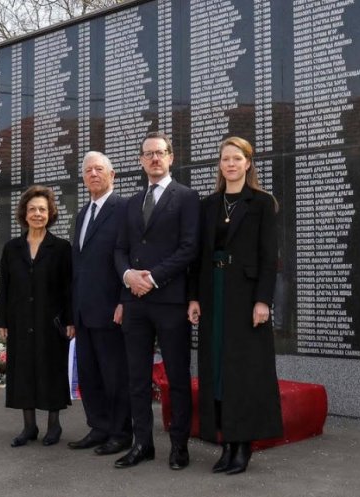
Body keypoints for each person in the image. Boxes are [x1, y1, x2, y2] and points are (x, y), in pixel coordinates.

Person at [187, 137, 282, 475]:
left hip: (245, 296)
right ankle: (226, 442)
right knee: (216, 370)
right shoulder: (209, 205)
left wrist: (263, 300)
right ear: (220, 164)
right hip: (213, 293)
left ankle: (243, 446)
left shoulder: (262, 202)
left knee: (244, 372)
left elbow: (269, 257)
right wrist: (194, 296)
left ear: (248, 163)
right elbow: (198, 255)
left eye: (237, 159)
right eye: (225, 159)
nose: (230, 164)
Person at [113, 131, 200, 470]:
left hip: (170, 302)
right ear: (140, 160)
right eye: (148, 154)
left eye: (160, 152)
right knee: (137, 378)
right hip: (135, 302)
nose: (154, 158)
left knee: (177, 377)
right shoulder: (131, 202)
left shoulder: (187, 197)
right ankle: (142, 444)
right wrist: (128, 276)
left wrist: (152, 278)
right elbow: (120, 249)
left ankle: (179, 447)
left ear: (171, 157)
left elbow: (189, 248)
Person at [0, 185, 75, 447]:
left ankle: (54, 425)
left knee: (52, 369)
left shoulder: (61, 248)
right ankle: (29, 427)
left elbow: (69, 287)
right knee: (23, 370)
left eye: (42, 209)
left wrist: (70, 320)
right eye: (32, 209)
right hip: (20, 320)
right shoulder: (12, 248)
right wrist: (1, 320)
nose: (37, 214)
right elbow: (4, 286)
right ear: (24, 213)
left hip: (51, 321)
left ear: (50, 214)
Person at [68, 151, 132, 455]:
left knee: (114, 375)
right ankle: (99, 427)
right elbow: (78, 265)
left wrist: (124, 301)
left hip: (111, 310)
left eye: (99, 169)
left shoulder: (124, 209)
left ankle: (121, 433)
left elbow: (130, 257)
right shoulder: (83, 214)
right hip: (84, 311)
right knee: (90, 374)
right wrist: (72, 311)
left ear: (112, 175)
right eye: (88, 170)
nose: (93, 174)